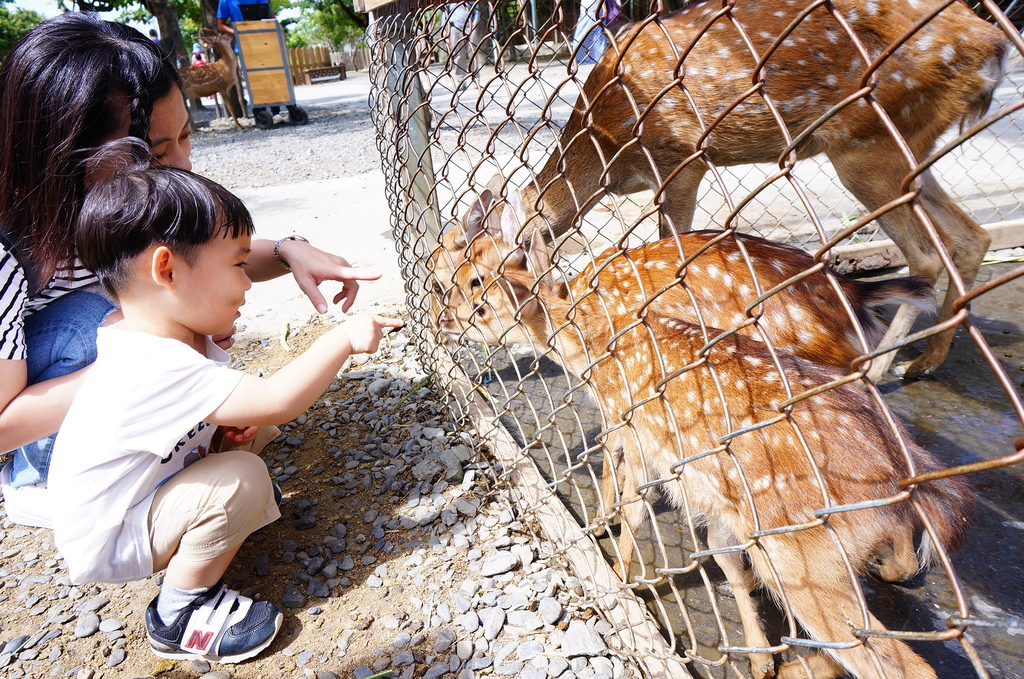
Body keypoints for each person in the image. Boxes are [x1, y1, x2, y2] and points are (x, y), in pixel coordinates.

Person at [0, 13, 379, 522]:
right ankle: (51, 477)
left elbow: (202, 260)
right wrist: (166, 366)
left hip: (115, 397)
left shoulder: (115, 198)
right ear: (65, 156)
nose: (183, 165)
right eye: (156, 152)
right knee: (97, 320)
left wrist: (291, 251)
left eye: (186, 137)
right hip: (55, 442)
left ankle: (179, 444)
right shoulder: (11, 248)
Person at [49, 138, 402, 663]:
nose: (248, 282)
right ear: (166, 269)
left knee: (248, 436)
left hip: (135, 499)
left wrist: (217, 440)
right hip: (112, 534)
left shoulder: (157, 333)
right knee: (243, 476)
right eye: (238, 265)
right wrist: (344, 339)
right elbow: (278, 399)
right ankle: (180, 612)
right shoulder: (151, 362)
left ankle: (210, 522)